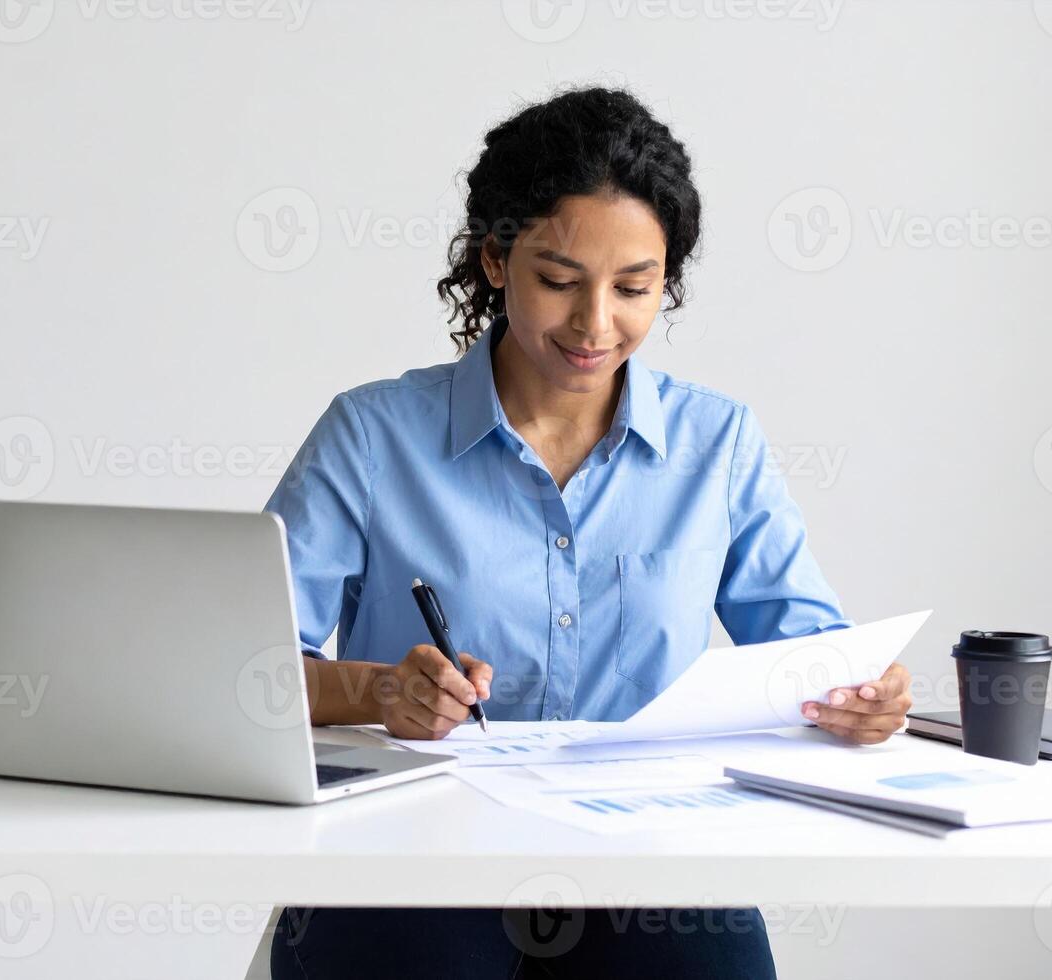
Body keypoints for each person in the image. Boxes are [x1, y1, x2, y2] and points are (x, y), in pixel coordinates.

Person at [262, 85, 913, 980]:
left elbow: (807, 655)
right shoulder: (372, 437)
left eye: (634, 288)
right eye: (558, 281)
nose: (594, 324)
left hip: (656, 852)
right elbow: (246, 673)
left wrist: (855, 699)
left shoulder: (716, 444)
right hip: (415, 846)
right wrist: (380, 692)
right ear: (495, 260)